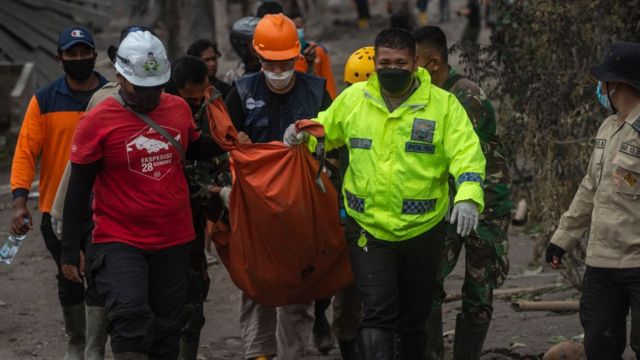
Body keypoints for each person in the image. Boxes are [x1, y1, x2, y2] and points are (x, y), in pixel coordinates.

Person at [284, 28, 486, 359]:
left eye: (400, 62)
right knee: (377, 314)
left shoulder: (443, 105)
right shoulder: (354, 100)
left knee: (413, 319)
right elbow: (325, 130)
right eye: (385, 62)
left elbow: (467, 154)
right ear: (375, 62)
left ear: (415, 62)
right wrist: (299, 134)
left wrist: (467, 196)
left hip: (424, 229)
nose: (392, 68)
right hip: (368, 228)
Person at [60, 30, 225, 360]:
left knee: (166, 330)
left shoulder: (177, 108)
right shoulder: (98, 121)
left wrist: (232, 142)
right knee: (130, 317)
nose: (148, 96)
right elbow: (78, 190)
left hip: (173, 238)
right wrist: (69, 250)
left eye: (154, 87)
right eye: (140, 87)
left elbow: (194, 147)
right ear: (120, 76)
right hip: (120, 239)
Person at [224, 13, 332, 360]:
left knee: (298, 285)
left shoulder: (316, 91)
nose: (279, 69)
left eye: (285, 62)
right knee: (257, 284)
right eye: (271, 63)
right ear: (259, 58)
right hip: (257, 208)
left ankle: (294, 354)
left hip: (302, 206)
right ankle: (259, 354)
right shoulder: (242, 93)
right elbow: (224, 143)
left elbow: (335, 140)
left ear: (296, 56)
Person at [414, 25, 512, 360]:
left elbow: (462, 156)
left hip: (485, 207)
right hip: (445, 205)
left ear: (434, 62)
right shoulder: (424, 96)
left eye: (414, 62)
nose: (408, 70)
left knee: (479, 292)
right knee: (427, 284)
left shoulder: (464, 96)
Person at [9, 25, 107, 360]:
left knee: (99, 278)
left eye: (84, 52)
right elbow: (25, 152)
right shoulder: (45, 100)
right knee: (68, 278)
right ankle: (76, 342)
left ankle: (94, 348)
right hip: (57, 210)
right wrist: (20, 201)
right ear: (60, 58)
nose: (79, 58)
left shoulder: (111, 97)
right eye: (71, 53)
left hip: (103, 208)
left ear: (95, 54)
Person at [546, 41, 640, 360]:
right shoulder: (607, 128)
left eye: (602, 81)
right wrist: (563, 239)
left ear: (615, 84)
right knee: (600, 345)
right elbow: (590, 188)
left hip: (638, 261)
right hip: (601, 264)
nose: (599, 88)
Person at [164, 55, 231, 360]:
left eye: (198, 96)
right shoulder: (161, 108)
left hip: (194, 217)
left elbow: (224, 149)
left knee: (193, 295)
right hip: (162, 216)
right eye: (187, 99)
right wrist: (213, 189)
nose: (194, 105)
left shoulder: (216, 100)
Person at [290, 11, 338, 99]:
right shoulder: (285, 55)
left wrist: (331, 101)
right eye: (293, 27)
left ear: (304, 27)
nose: (296, 30)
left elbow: (328, 79)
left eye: (298, 27)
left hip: (317, 98)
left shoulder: (318, 50)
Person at [224, 16, 262, 85]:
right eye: (252, 42)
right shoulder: (234, 75)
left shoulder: (272, 71)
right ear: (243, 46)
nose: (258, 45)